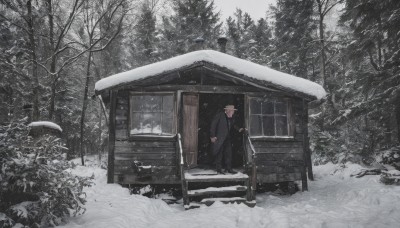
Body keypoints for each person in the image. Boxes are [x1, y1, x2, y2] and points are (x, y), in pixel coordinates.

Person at [210, 105, 244, 174]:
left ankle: (229, 168)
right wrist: (212, 136)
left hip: (227, 138)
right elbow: (213, 125)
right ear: (228, 111)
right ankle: (219, 169)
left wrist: (239, 129)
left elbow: (233, 125)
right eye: (232, 111)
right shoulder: (220, 115)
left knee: (228, 153)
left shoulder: (231, 117)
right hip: (219, 138)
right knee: (219, 154)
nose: (233, 112)